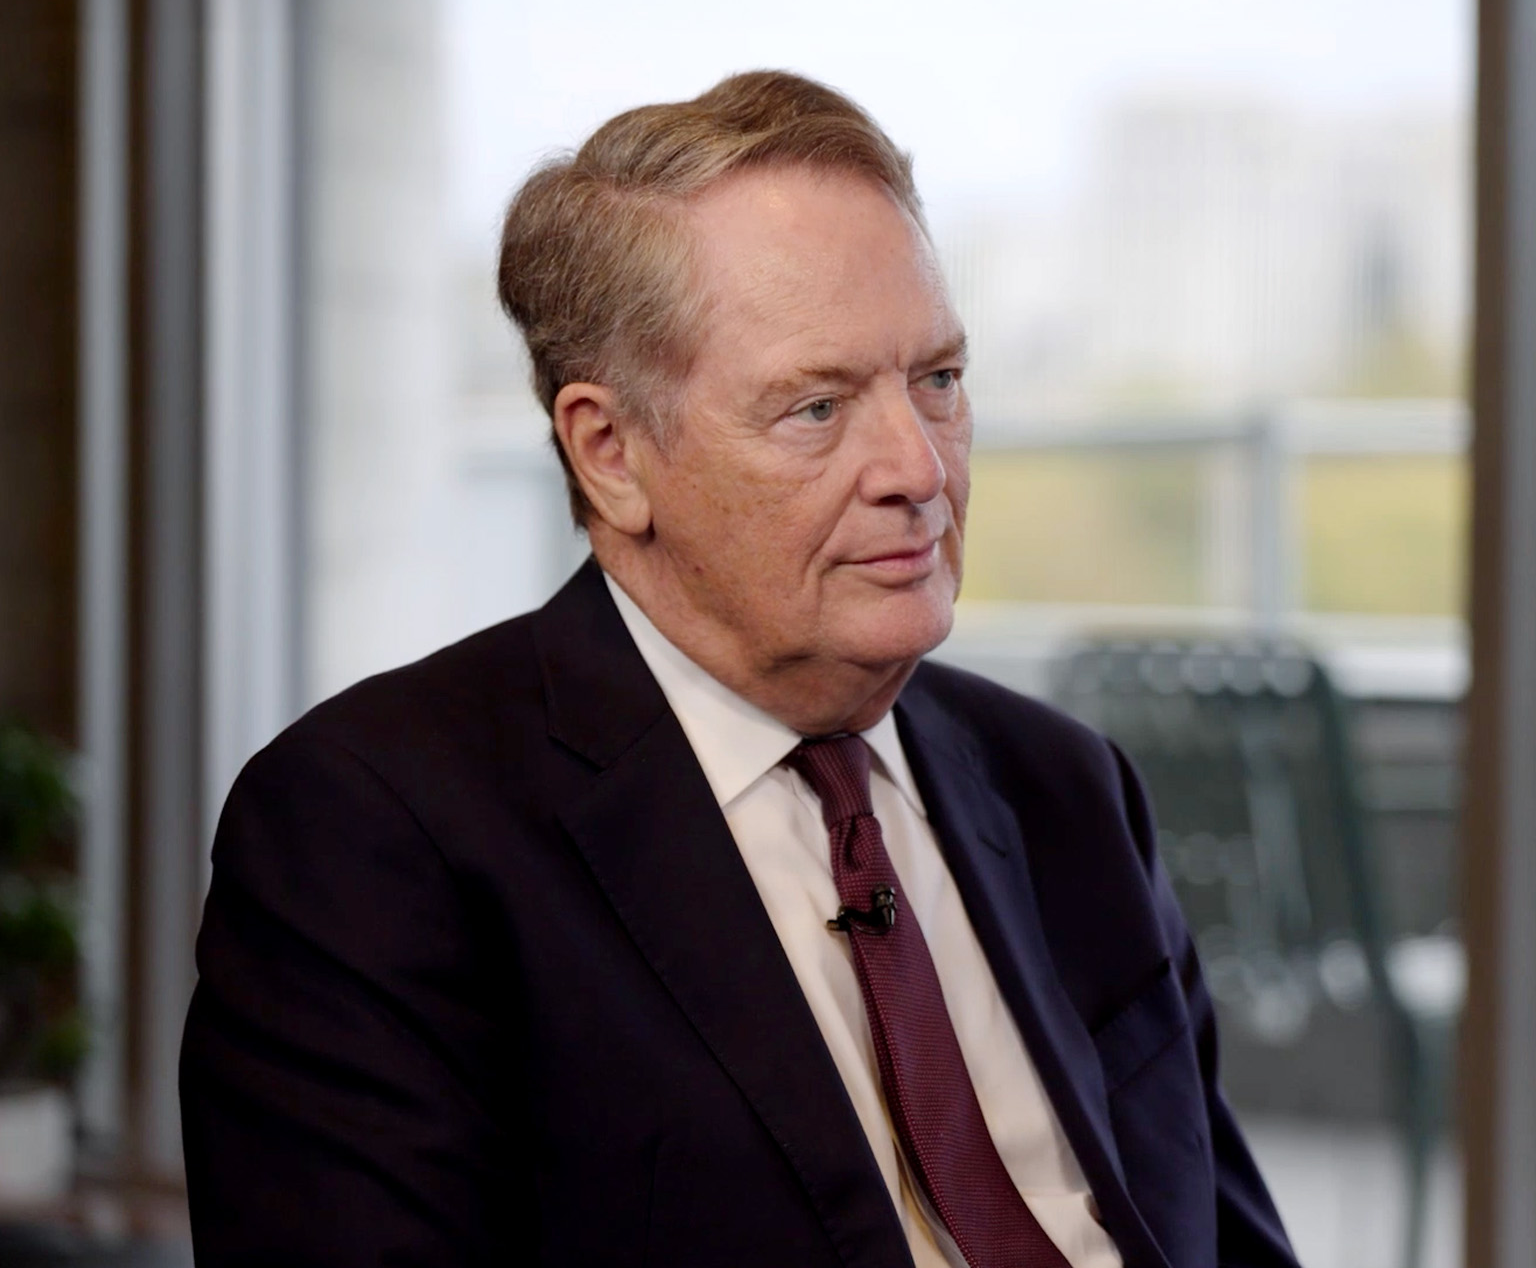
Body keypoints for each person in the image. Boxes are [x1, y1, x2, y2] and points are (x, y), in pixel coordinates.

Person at [180, 71, 1299, 1268]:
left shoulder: (1066, 788)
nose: (918, 468)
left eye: (940, 381)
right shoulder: (376, 834)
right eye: (816, 409)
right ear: (610, 454)